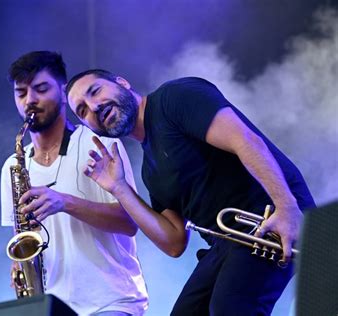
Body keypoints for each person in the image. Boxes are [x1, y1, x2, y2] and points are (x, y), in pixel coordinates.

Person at [66, 70, 316, 315]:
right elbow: (174, 242)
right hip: (228, 241)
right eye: (82, 110)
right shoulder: (150, 170)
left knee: (231, 307)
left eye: (95, 91)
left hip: (271, 215)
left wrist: (287, 207)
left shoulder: (174, 98)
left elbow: (245, 141)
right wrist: (119, 188)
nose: (94, 106)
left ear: (122, 82)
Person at [0, 52, 148, 315]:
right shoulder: (13, 166)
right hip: (53, 306)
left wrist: (64, 202)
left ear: (63, 90)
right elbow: (21, 238)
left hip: (111, 302)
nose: (30, 100)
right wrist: (20, 267)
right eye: (21, 93)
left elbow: (129, 223)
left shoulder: (101, 144)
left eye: (41, 89)